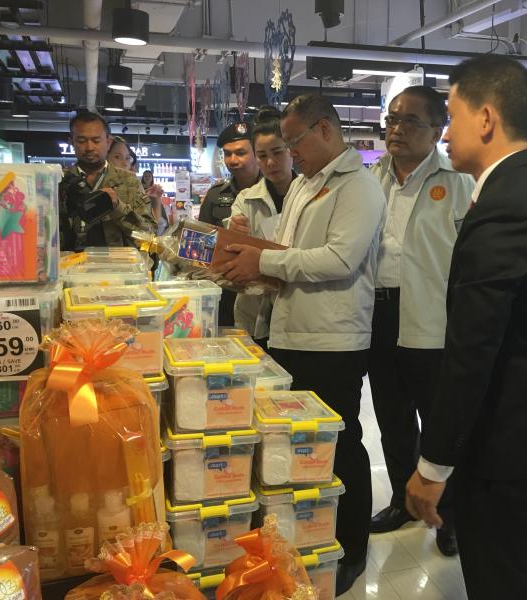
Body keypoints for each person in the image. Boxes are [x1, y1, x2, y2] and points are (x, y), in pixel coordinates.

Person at [404, 55, 527, 599]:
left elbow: (474, 349)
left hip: (512, 433)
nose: (446, 132)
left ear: (486, 118)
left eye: (452, 116)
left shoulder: (508, 203)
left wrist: (433, 465)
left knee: (500, 575)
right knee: (508, 565)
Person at [219, 94, 385, 596]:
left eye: (294, 142)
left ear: (325, 130)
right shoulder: (305, 185)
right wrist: (250, 253)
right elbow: (291, 252)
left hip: (333, 340)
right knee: (301, 444)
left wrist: (264, 262)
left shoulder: (358, 187)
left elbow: (339, 259)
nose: (289, 154)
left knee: (341, 445)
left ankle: (352, 545)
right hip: (290, 331)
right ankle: (309, 538)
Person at [366, 85, 473, 557]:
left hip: (433, 319)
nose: (397, 129)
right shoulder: (372, 179)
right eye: (392, 119)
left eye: (410, 121)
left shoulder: (459, 182)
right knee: (392, 418)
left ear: (437, 130)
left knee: (440, 422)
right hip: (378, 313)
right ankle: (403, 501)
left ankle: (450, 514)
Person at [227, 106, 298, 346]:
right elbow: (232, 263)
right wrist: (233, 237)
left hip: (298, 313)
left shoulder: (312, 196)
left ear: (291, 150)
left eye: (277, 152)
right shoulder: (246, 200)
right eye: (261, 155)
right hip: (253, 314)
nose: (270, 162)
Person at [59, 111, 156, 252]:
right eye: (81, 141)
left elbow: (149, 235)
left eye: (96, 140)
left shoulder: (128, 182)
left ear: (108, 142)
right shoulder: (59, 182)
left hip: (118, 264)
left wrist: (118, 208)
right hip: (69, 263)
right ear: (71, 142)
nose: (89, 147)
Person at [199, 121, 260, 326]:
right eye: (227, 154)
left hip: (264, 293)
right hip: (224, 293)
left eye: (241, 153)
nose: (232, 160)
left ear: (256, 153)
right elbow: (200, 248)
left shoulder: (278, 192)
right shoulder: (215, 195)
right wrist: (227, 236)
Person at [140, 169, 168, 235]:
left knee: (160, 223)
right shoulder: (140, 187)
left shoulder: (154, 188)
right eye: (145, 176)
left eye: (149, 176)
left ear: (152, 178)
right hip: (145, 209)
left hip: (154, 209)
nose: (147, 178)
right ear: (143, 178)